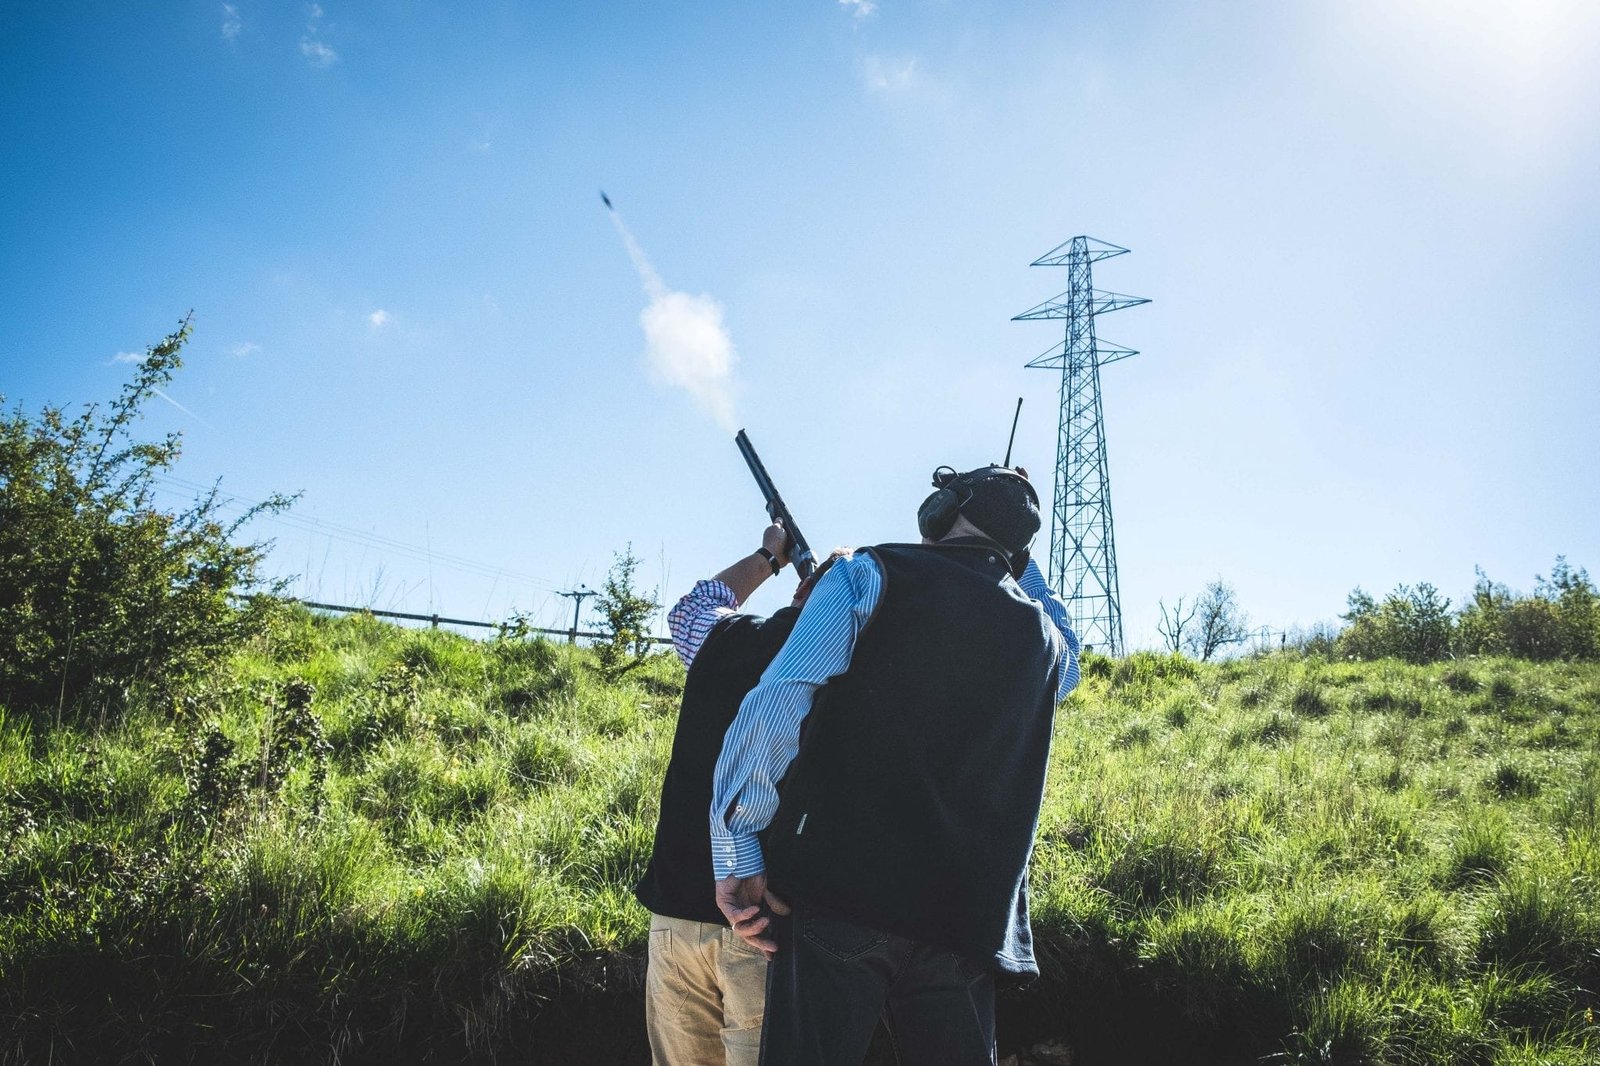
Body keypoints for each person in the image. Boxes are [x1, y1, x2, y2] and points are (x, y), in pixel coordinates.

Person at [709, 464, 1081, 1066]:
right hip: (966, 923)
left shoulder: (868, 575)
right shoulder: (1047, 642)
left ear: (938, 512)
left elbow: (776, 704)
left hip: (843, 896)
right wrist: (1018, 559)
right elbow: (1070, 645)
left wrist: (737, 851)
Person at [636, 521, 847, 1066]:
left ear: (801, 591)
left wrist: (769, 553)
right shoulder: (852, 669)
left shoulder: (723, 639)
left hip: (675, 922)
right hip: (767, 929)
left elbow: (692, 607)